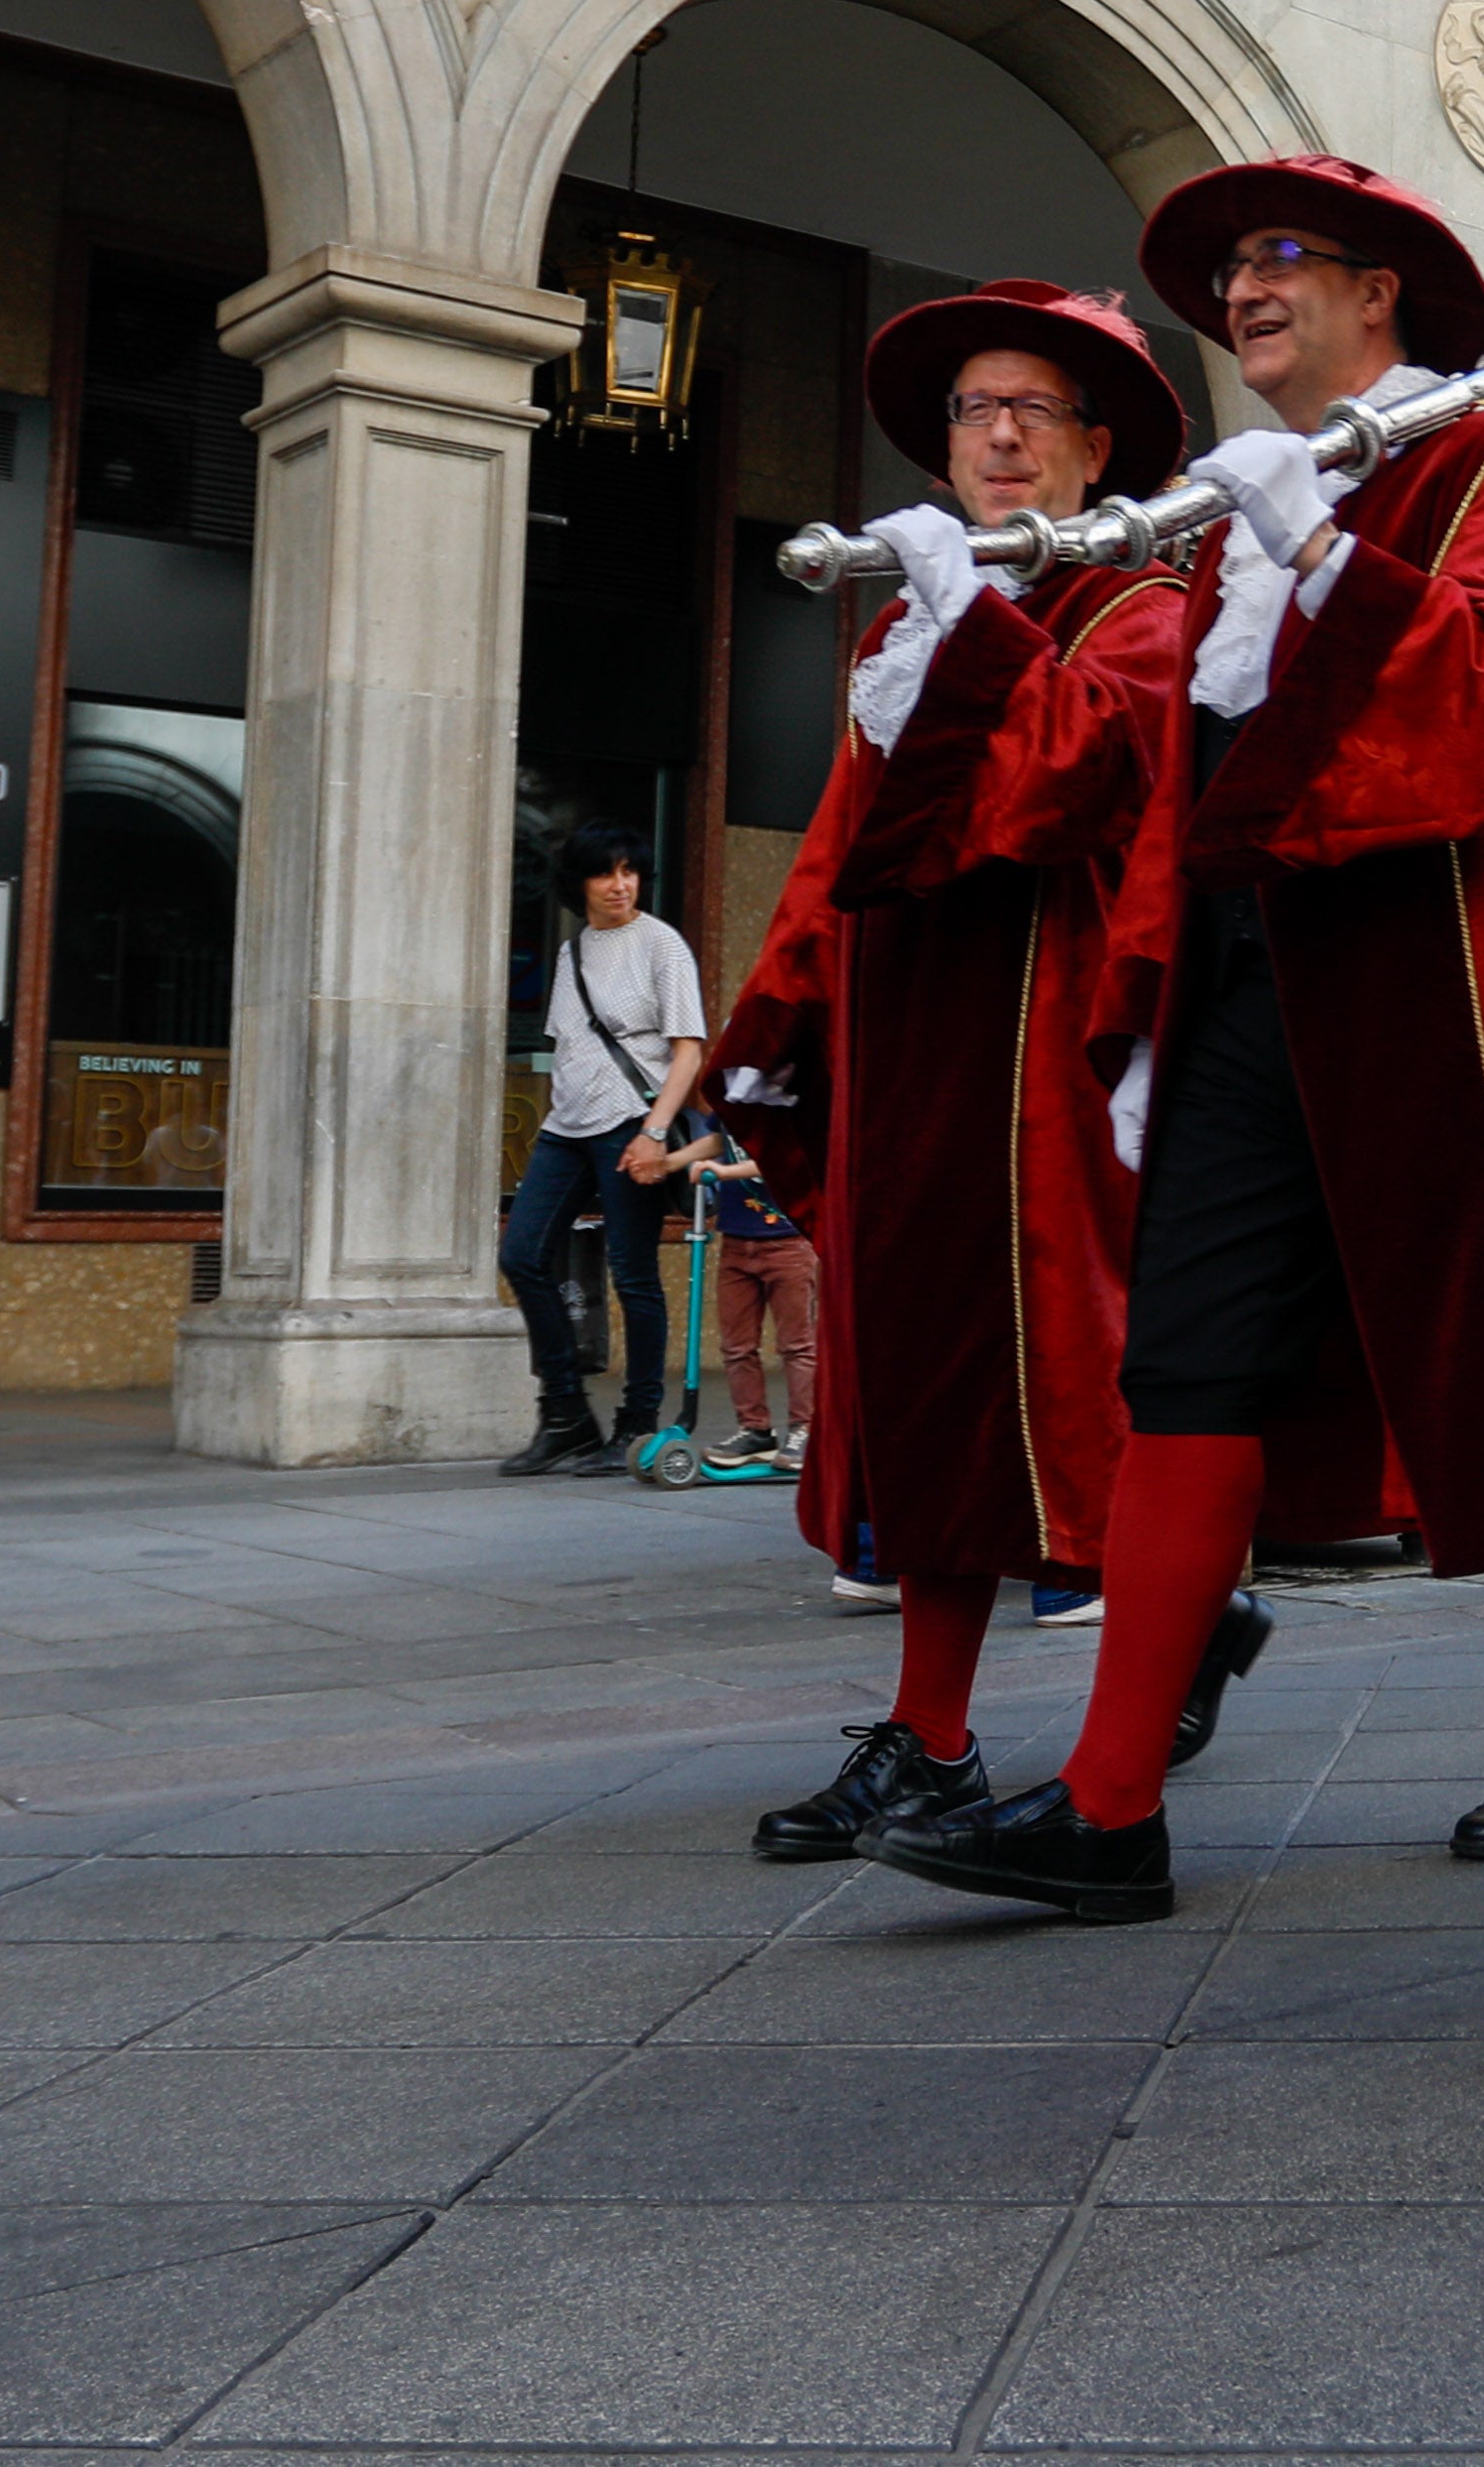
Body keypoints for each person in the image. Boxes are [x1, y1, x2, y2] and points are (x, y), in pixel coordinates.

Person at [858, 156, 1484, 1924]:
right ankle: (1108, 1806)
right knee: (1191, 1368)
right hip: (1249, 988)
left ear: (1380, 292)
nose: (1242, 285)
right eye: (1229, 264)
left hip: (1443, 975)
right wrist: (1151, 987)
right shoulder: (1222, 517)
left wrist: (1323, 550)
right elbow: (1147, 781)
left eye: (1280, 255)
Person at [702, 281, 1244, 1863]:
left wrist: (975, 628)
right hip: (914, 1050)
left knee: (1069, 1386)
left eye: (1034, 411)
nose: (998, 435)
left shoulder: (1139, 613)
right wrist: (780, 1034)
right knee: (928, 1391)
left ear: (1094, 451)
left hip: (1049, 1055)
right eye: (970, 410)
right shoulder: (906, 621)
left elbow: (1063, 790)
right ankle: (935, 1731)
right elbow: (841, 854)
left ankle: (1168, 1638)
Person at [495, 823, 708, 1477]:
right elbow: (571, 1045)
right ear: (580, 882)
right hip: (567, 1127)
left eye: (630, 871)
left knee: (633, 1272)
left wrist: (653, 1129)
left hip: (629, 1125)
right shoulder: (572, 951)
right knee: (522, 1254)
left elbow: (689, 1048)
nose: (620, 884)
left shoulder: (661, 944)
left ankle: (637, 1424)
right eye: (605, 872)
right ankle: (565, 1415)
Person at [670, 1115, 814, 1460]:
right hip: (736, 1240)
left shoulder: (785, 1103)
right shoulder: (731, 1099)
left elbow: (780, 1161)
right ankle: (755, 1429)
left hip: (787, 1241)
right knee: (737, 1346)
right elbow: (720, 1140)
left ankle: (806, 1429)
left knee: (796, 1344)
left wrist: (722, 1172)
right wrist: (672, 1161)